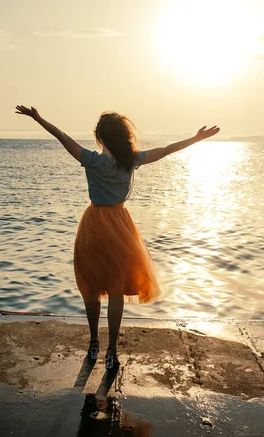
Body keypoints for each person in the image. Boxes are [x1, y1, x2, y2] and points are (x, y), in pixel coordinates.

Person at [15, 105, 220, 370]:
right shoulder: (131, 159)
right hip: (120, 225)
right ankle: (111, 349)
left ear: (100, 137)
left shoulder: (92, 159)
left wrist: (38, 118)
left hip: (93, 226)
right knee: (115, 291)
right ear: (123, 136)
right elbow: (167, 150)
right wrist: (196, 138)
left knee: (90, 288)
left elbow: (62, 137)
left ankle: (92, 343)